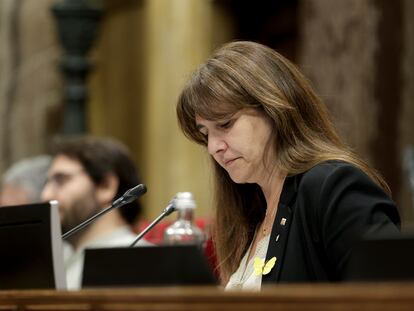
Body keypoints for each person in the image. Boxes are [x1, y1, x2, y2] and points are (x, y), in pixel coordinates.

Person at [176, 41, 400, 290]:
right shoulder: (250, 216)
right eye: (205, 133)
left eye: (226, 124)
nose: (213, 147)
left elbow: (392, 294)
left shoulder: (331, 186)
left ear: (273, 108)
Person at [41, 136, 151, 289]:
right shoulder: (53, 260)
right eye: (47, 183)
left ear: (106, 186)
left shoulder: (142, 261)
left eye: (61, 180)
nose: (45, 195)